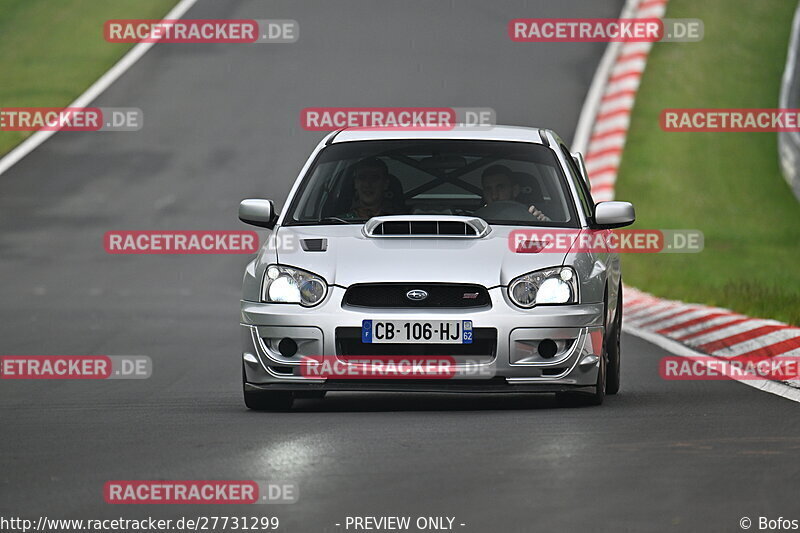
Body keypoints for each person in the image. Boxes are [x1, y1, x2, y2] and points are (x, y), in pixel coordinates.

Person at [476, 165, 551, 222]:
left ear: (515, 190)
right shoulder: (474, 222)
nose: (494, 195)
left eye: (500, 187)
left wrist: (543, 222)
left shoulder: (532, 216)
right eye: (488, 189)